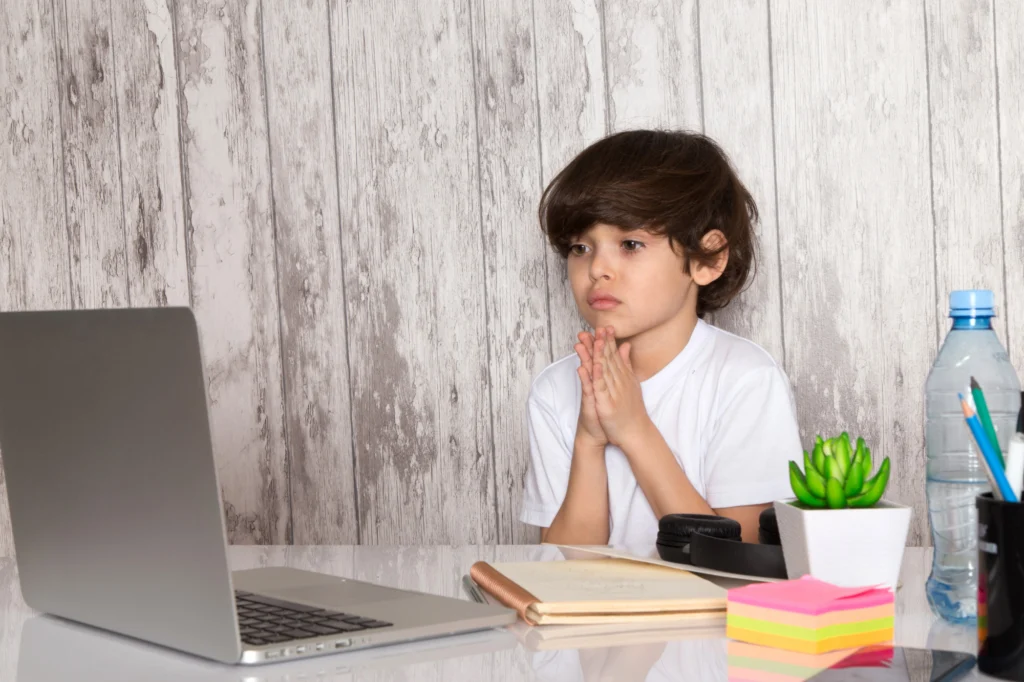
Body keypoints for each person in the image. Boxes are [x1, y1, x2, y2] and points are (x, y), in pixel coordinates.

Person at [519, 129, 802, 547]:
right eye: (580, 248)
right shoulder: (555, 390)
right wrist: (589, 441)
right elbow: (567, 566)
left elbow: (743, 562)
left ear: (707, 259)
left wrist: (634, 430)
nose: (598, 268)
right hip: (594, 612)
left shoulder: (745, 380)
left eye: (630, 244)